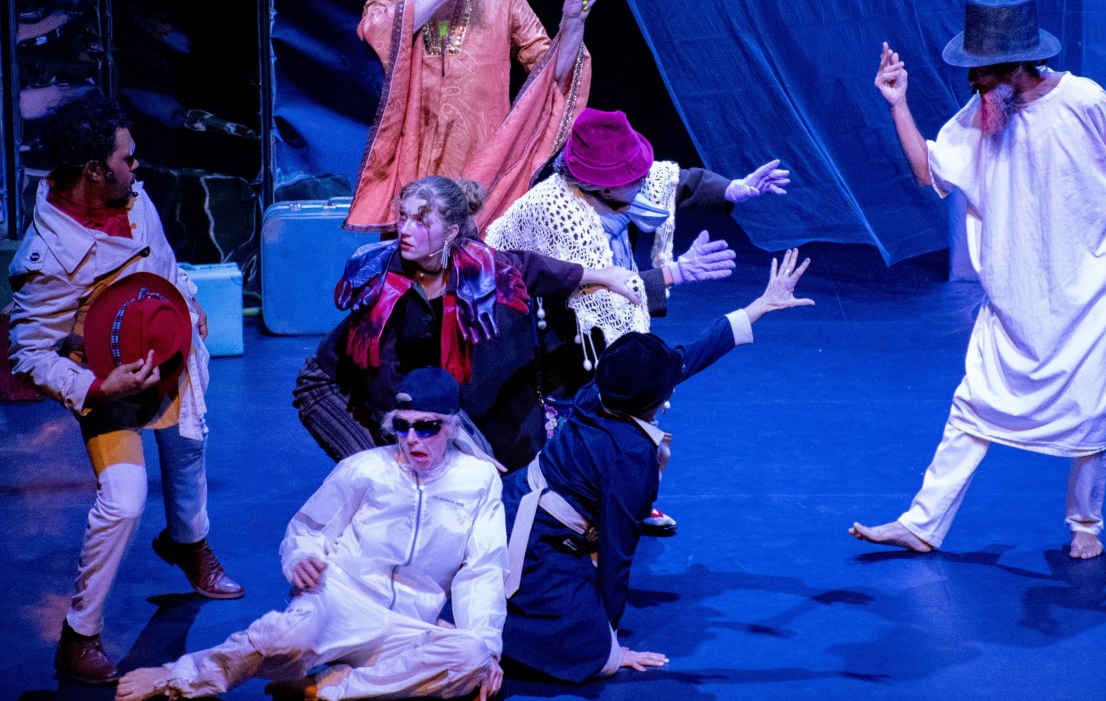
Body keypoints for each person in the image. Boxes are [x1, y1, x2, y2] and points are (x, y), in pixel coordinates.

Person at [850, 0, 1106, 560]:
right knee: (973, 402)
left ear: (1015, 63)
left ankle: (1085, 526)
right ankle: (922, 524)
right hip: (1015, 293)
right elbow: (929, 171)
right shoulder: (981, 114)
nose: (971, 80)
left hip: (1089, 289)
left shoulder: (1086, 103)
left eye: (980, 69)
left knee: (1090, 408)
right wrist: (897, 104)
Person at [7, 93, 243, 686]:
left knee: (189, 447)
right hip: (108, 382)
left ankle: (189, 543)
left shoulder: (129, 195)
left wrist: (186, 296)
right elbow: (27, 353)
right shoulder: (48, 258)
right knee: (125, 498)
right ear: (93, 169)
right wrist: (95, 385)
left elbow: (159, 260)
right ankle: (78, 635)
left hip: (171, 351)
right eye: (126, 158)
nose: (136, 167)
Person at [501, 250, 815, 682]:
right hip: (536, 538)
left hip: (513, 502)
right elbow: (617, 548)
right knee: (585, 648)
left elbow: (689, 357)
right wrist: (610, 638)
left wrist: (758, 307)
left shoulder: (602, 390)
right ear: (655, 400)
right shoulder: (630, 453)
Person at [117, 367, 508, 701]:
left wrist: (488, 646)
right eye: (403, 426)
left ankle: (325, 688)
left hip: (410, 625)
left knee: (471, 657)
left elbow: (483, 571)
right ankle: (177, 677)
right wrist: (301, 558)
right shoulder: (365, 468)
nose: (411, 439)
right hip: (342, 599)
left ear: (452, 427)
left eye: (426, 427)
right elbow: (308, 528)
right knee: (279, 637)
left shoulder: (477, 480)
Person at [487, 107, 789, 528]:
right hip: (558, 323)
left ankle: (628, 496)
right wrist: (674, 273)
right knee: (581, 408)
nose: (643, 182)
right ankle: (568, 510)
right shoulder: (557, 211)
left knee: (628, 405)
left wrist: (735, 189)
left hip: (597, 310)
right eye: (633, 178)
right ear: (600, 185)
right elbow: (596, 290)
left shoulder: (620, 187)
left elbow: (676, 182)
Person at [296, 175, 640, 470]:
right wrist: (448, 440)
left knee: (452, 466)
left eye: (421, 221)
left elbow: (529, 269)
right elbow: (383, 386)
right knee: (389, 475)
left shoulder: (474, 263)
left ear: (451, 232)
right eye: (403, 217)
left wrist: (604, 276)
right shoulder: (386, 285)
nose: (406, 230)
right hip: (339, 389)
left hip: (403, 390)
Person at [346, 0, 598, 231]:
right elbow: (377, 29)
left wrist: (572, 21)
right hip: (418, 195)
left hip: (489, 188)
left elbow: (555, 74)